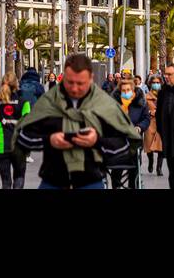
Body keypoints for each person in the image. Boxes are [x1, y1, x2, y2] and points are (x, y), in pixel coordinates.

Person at [15, 53, 142, 189]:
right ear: (63, 77)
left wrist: (97, 141)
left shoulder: (105, 105)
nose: (75, 88)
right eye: (70, 82)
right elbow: (23, 136)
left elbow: (125, 143)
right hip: (53, 179)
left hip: (90, 180)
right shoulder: (49, 102)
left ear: (91, 79)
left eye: (80, 83)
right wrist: (49, 140)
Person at [0, 74, 30, 190]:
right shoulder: (24, 103)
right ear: (17, 85)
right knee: (19, 179)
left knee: (6, 183)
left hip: (1, 147)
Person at [107, 75, 149, 188]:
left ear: (133, 90)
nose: (126, 92)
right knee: (116, 171)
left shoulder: (140, 104)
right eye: (123, 90)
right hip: (117, 142)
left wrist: (139, 127)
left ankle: (133, 186)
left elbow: (146, 119)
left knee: (134, 170)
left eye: (128, 90)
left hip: (133, 142)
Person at [144, 90, 164, 176]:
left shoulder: (164, 95)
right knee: (148, 146)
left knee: (161, 147)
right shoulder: (146, 97)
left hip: (161, 123)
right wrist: (150, 112)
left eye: (158, 82)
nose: (156, 84)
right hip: (150, 123)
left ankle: (159, 168)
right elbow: (143, 110)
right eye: (154, 82)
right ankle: (150, 161)